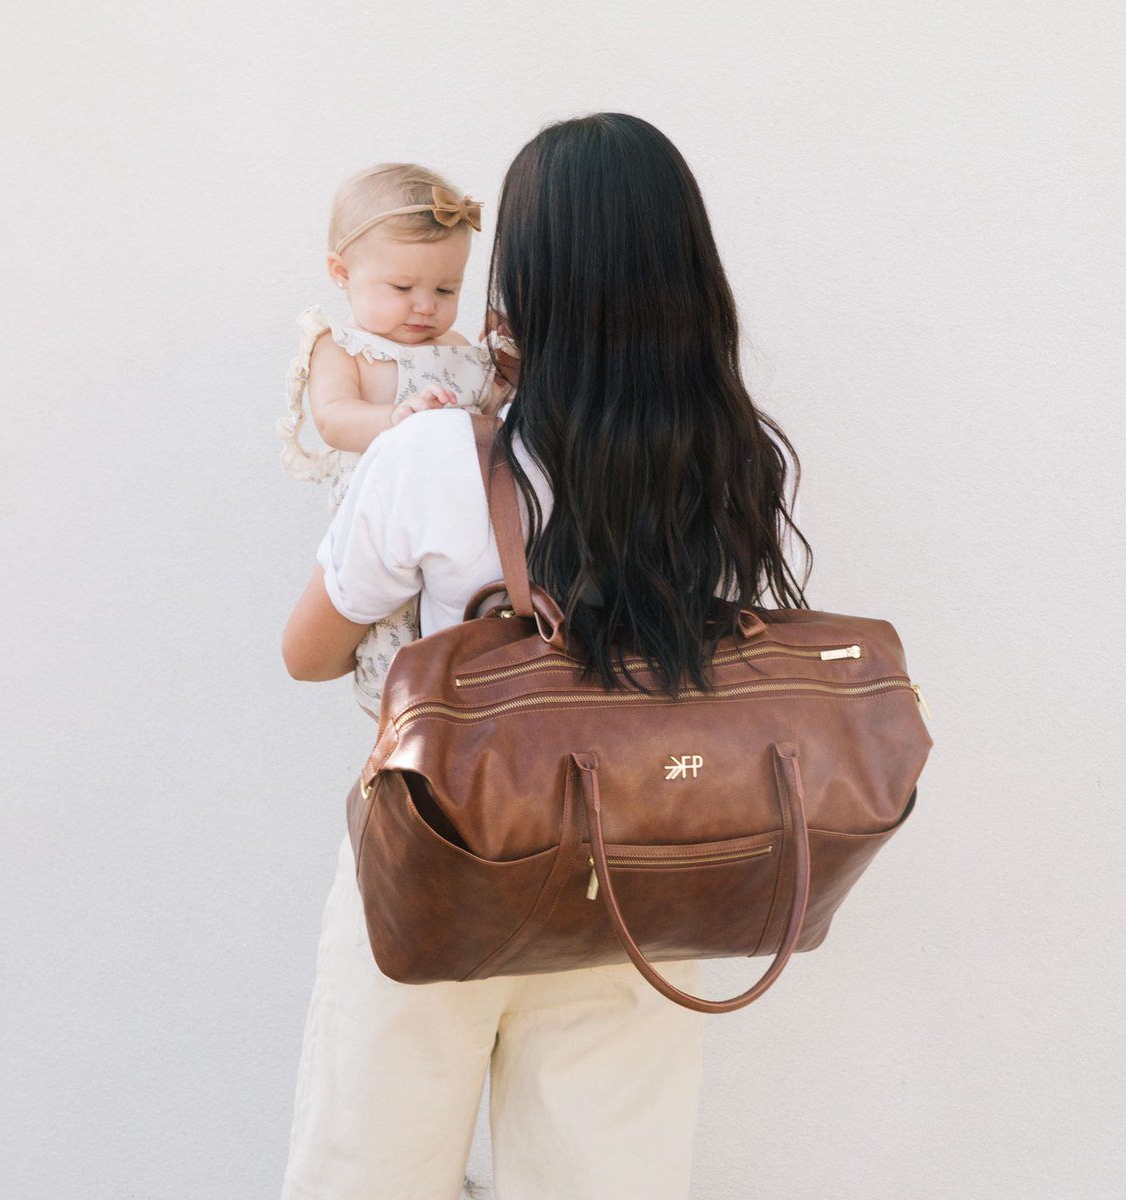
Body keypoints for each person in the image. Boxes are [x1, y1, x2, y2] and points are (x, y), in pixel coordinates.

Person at [279, 112, 811, 1200]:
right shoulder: (721, 459)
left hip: (440, 865)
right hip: (638, 874)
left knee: (371, 1174)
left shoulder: (433, 450)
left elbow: (307, 651)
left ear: (530, 275)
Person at [276, 161, 515, 718]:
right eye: (402, 287)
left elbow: (485, 414)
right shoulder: (341, 346)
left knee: (450, 634)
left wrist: (505, 373)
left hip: (456, 530)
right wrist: (397, 418)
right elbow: (334, 418)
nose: (425, 305)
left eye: (445, 288)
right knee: (391, 639)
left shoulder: (457, 345)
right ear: (342, 271)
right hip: (378, 524)